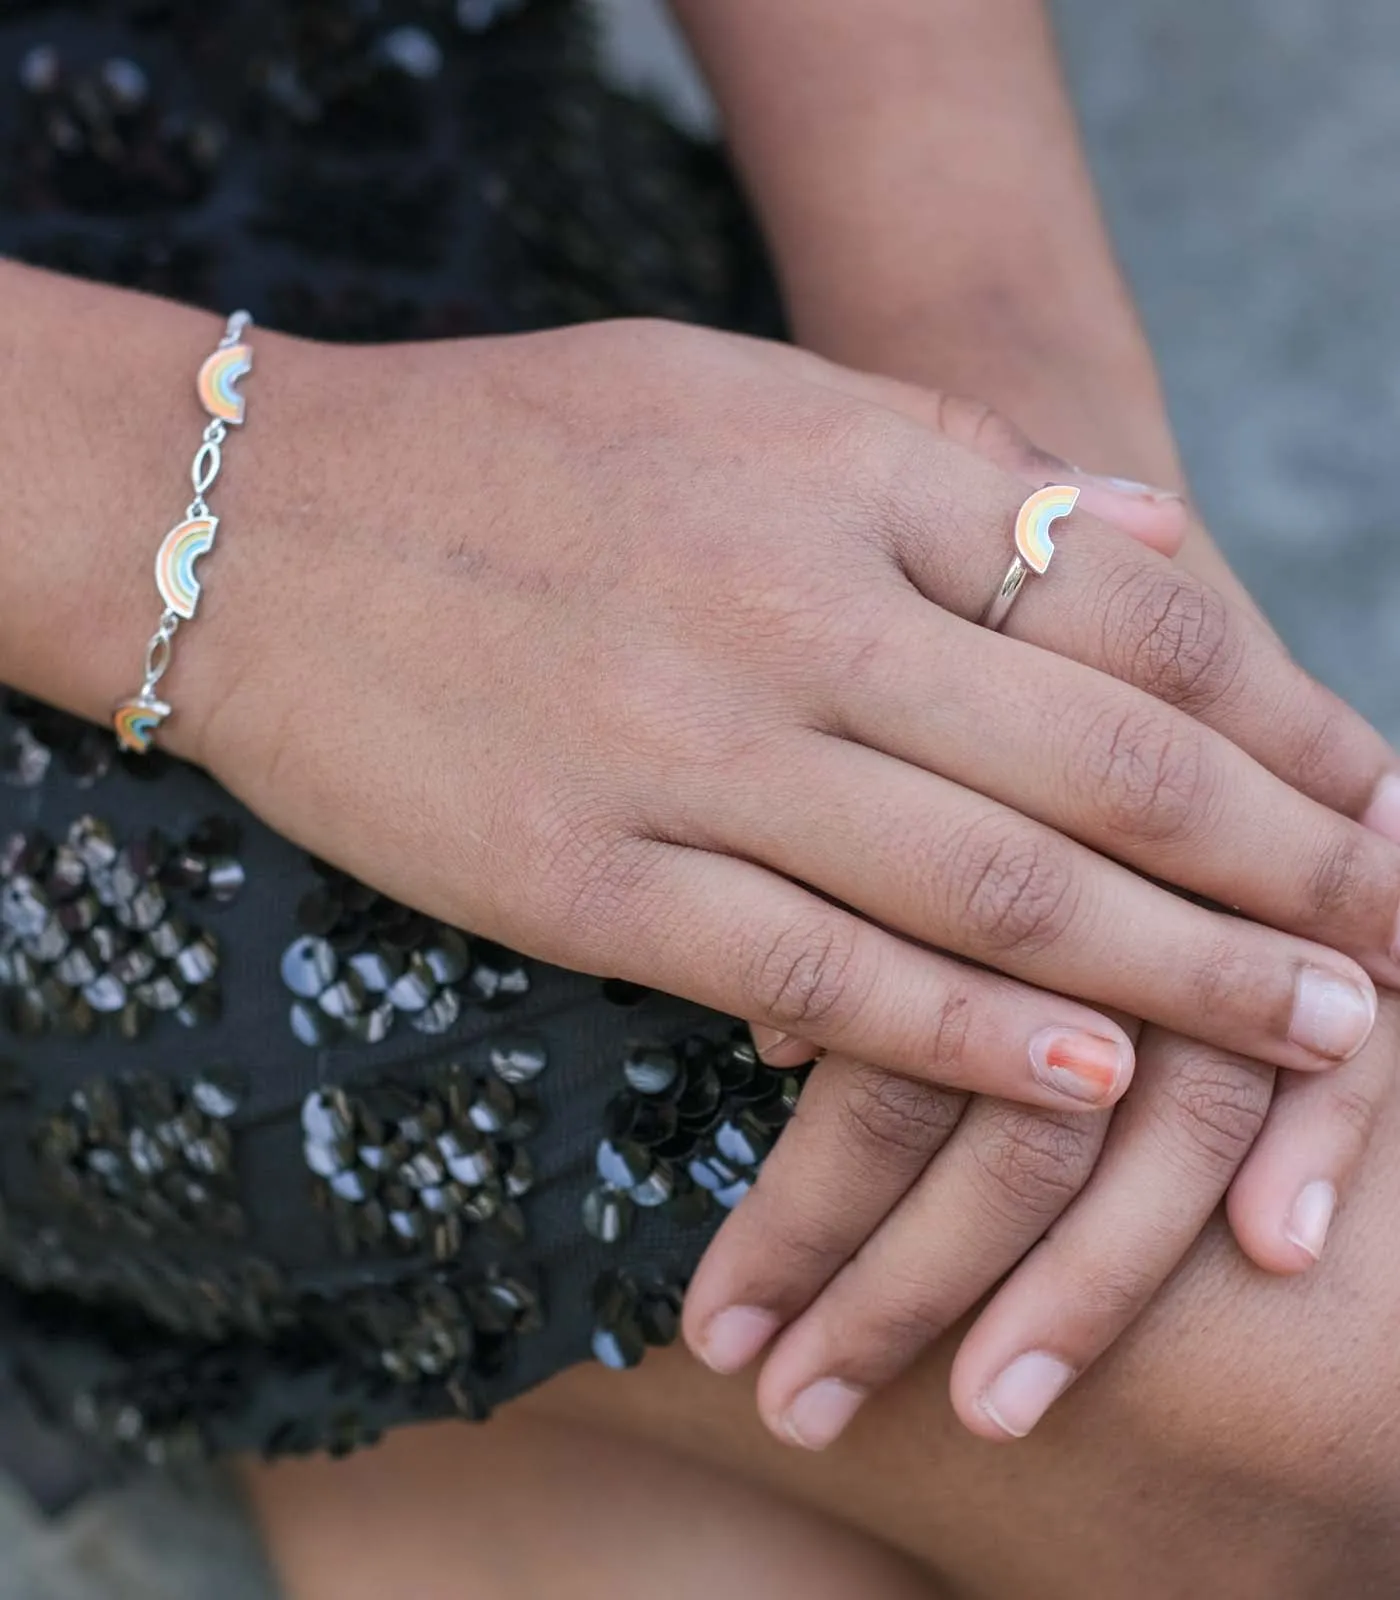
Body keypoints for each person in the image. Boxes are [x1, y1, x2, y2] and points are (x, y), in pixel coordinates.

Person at [0, 0, 1394, 1591]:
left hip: (453, 218)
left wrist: (1015, 415)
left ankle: (426, 1384)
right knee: (1325, 1359)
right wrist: (251, 511)